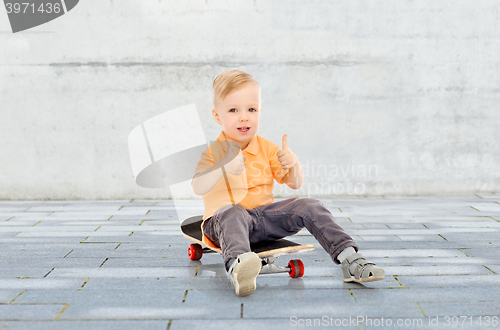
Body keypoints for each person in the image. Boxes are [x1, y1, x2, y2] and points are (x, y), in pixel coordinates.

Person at [191, 70, 384, 297]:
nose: (244, 117)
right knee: (233, 211)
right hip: (223, 223)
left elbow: (295, 183)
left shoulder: (268, 148)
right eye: (233, 110)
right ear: (217, 116)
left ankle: (350, 259)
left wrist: (293, 164)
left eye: (251, 109)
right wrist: (222, 167)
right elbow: (198, 186)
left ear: (260, 111)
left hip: (263, 220)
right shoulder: (215, 151)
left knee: (309, 205)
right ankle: (238, 266)